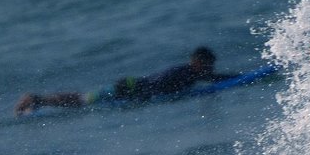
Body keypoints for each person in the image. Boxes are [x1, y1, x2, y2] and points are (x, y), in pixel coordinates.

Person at [15, 46, 233, 116]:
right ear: (197, 62)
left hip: (128, 86)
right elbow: (156, 85)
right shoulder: (185, 72)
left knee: (83, 99)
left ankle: (39, 101)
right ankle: (37, 99)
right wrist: (143, 98)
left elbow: (214, 78)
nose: (210, 69)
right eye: (208, 65)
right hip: (127, 89)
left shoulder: (190, 73)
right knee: (83, 100)